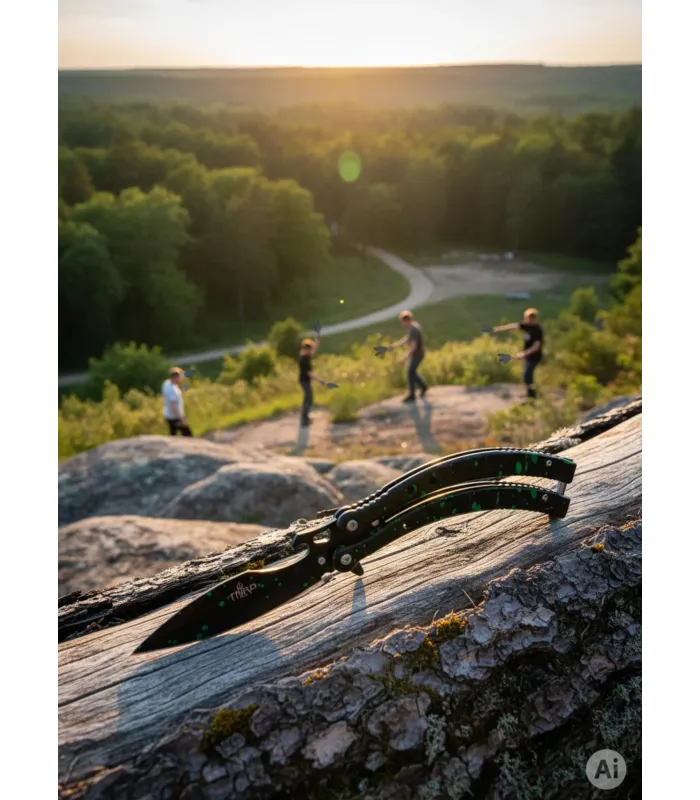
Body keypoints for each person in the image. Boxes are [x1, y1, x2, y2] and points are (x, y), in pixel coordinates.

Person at [492, 307, 544, 400]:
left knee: (527, 376)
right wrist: (498, 329)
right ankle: (531, 394)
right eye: (527, 317)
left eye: (531, 317)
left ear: (534, 318)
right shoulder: (527, 325)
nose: (528, 319)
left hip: (534, 356)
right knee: (527, 375)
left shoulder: (537, 330)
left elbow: (537, 346)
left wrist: (524, 354)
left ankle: (532, 397)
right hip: (528, 356)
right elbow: (513, 326)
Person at [386, 310, 428, 403]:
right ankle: (423, 387)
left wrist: (405, 358)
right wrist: (395, 346)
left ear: (406, 320)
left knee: (410, 372)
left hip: (417, 354)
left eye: (403, 321)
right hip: (417, 353)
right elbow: (407, 339)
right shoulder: (412, 327)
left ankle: (412, 394)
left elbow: (413, 345)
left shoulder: (414, 329)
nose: (402, 324)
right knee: (412, 372)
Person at [298, 333, 331, 426]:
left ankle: (305, 417)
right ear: (306, 349)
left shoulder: (303, 354)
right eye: (310, 349)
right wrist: (321, 380)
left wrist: (317, 340)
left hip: (304, 380)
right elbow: (309, 373)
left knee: (308, 398)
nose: (311, 351)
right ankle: (305, 420)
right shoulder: (304, 359)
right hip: (304, 381)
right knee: (309, 398)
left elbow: (314, 350)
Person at [162, 367, 193, 436]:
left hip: (168, 415)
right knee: (187, 433)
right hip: (175, 417)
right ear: (176, 377)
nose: (181, 379)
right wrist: (181, 417)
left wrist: (180, 390)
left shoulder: (166, 383)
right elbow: (172, 405)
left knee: (173, 433)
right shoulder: (174, 390)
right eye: (180, 377)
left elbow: (168, 396)